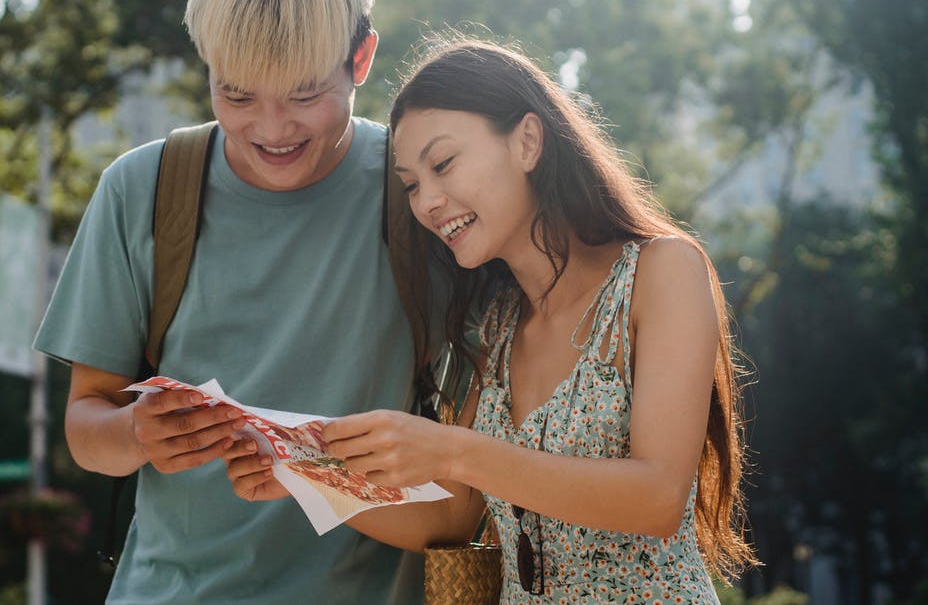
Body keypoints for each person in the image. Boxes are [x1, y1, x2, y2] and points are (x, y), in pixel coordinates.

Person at [226, 39, 758, 602]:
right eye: (411, 184)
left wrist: (453, 449)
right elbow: (450, 520)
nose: (428, 201)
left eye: (444, 164)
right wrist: (300, 470)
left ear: (528, 141)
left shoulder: (661, 271)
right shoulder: (499, 324)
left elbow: (657, 498)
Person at [33, 0, 427, 603]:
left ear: (361, 60)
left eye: (305, 94)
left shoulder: (419, 190)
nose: (271, 129)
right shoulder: (143, 190)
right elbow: (87, 427)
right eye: (236, 94)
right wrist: (137, 431)